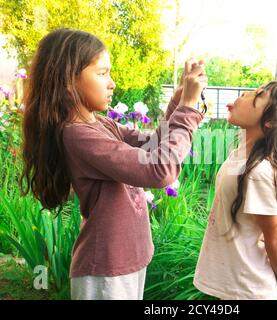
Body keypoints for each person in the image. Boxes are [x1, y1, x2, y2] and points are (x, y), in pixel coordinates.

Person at [19, 28, 207, 300]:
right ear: (68, 81)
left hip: (124, 263)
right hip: (105, 272)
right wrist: (188, 108)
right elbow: (159, 169)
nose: (112, 83)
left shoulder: (99, 123)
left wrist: (179, 100)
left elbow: (153, 144)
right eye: (102, 73)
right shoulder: (77, 134)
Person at [193, 80, 277, 300]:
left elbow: (274, 237)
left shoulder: (259, 172)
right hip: (237, 285)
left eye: (257, 96)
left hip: (250, 290)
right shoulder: (239, 156)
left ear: (270, 121)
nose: (243, 94)